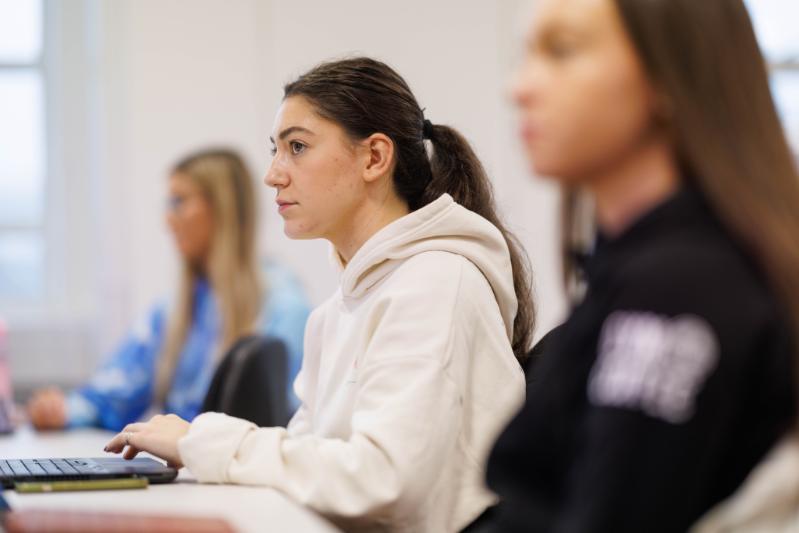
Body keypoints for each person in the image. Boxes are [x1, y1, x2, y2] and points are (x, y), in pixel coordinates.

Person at [104, 57, 534, 533]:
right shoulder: (336, 312)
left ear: (374, 158)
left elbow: (383, 483)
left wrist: (201, 442)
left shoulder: (436, 284)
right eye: (276, 149)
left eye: (297, 147)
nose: (273, 174)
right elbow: (310, 471)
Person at [481, 0, 799, 532]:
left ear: (668, 75)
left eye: (562, 52)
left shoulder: (683, 286)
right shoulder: (643, 268)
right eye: (527, 54)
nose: (519, 88)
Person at [27, 148, 310, 432]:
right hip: (185, 466)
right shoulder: (174, 310)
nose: (168, 220)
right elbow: (116, 392)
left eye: (179, 202)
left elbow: (285, 424)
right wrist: (61, 410)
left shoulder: (284, 307)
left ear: (222, 208)